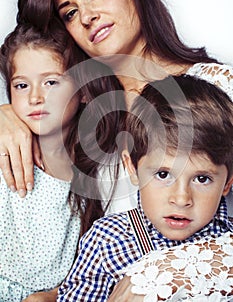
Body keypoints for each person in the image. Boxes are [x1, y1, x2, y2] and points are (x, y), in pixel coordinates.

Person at [0, 0, 232, 201]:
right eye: (70, 13)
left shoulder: (219, 87)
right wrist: (7, 116)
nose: (87, 16)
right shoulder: (82, 118)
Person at [56, 74, 233, 301]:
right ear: (132, 167)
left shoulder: (226, 244)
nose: (181, 199)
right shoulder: (107, 241)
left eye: (202, 179)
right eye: (163, 174)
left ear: (228, 182)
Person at [0, 22, 125, 302]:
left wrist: (54, 296)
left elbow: (98, 269)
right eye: (21, 85)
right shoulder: (4, 150)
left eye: (51, 83)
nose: (35, 97)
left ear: (82, 92)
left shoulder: (103, 172)